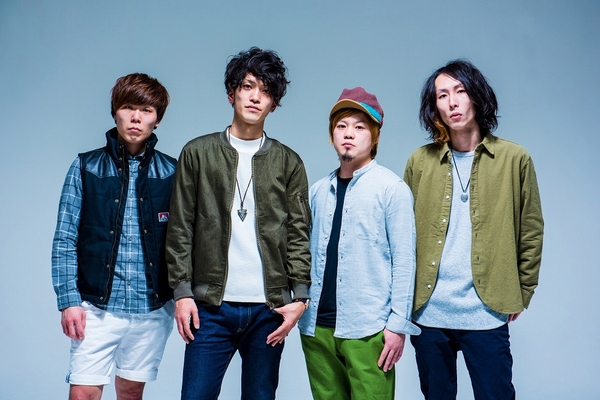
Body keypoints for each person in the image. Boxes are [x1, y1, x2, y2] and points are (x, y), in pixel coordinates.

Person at [165, 46, 311, 400]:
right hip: (210, 308)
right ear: (232, 93)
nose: (255, 97)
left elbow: (298, 233)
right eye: (248, 86)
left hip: (269, 309)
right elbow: (180, 227)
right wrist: (182, 293)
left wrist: (301, 298)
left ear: (273, 104)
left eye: (266, 91)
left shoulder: (288, 162)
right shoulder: (197, 153)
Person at [404, 59, 544, 399]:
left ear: (477, 96)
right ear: (434, 107)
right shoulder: (419, 161)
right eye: (442, 95)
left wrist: (522, 291)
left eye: (460, 91)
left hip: (486, 311)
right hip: (429, 313)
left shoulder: (515, 159)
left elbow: (531, 229)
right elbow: (402, 235)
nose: (452, 102)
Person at [52, 73, 176, 400]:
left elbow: (183, 243)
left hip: (153, 307)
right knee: (83, 393)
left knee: (131, 393)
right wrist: (68, 301)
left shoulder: (172, 172)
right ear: (115, 112)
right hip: (96, 306)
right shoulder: (85, 167)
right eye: (128, 107)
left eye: (146, 110)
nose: (136, 117)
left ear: (157, 120)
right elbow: (65, 238)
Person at [298, 87, 420, 400]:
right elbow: (301, 252)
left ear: (375, 136)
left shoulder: (392, 189)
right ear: (331, 135)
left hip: (368, 328)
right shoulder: (317, 191)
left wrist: (397, 325)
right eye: (341, 126)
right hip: (316, 328)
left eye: (360, 126)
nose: (349, 133)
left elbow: (405, 261)